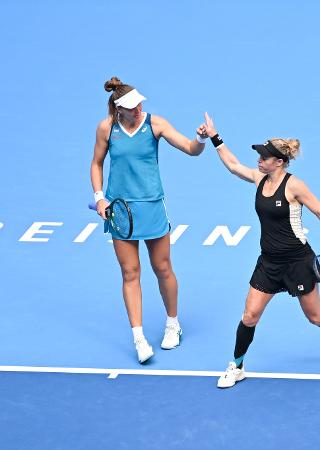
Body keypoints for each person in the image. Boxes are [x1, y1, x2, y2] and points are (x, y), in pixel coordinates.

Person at [201, 113, 320, 388]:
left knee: (315, 317)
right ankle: (237, 365)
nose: (259, 160)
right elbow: (231, 164)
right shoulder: (258, 178)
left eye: (264, 157)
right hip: (269, 262)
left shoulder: (294, 186)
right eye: (260, 156)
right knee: (249, 316)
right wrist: (215, 136)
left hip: (298, 261)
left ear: (280, 162)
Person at [90, 77, 208, 363]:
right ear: (118, 109)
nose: (138, 109)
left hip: (152, 207)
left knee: (162, 267)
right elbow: (96, 164)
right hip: (120, 210)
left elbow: (191, 149)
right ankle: (139, 338)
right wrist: (99, 197)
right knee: (130, 273)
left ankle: (172, 324)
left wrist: (201, 138)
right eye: (132, 107)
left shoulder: (156, 124)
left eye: (140, 104)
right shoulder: (107, 128)